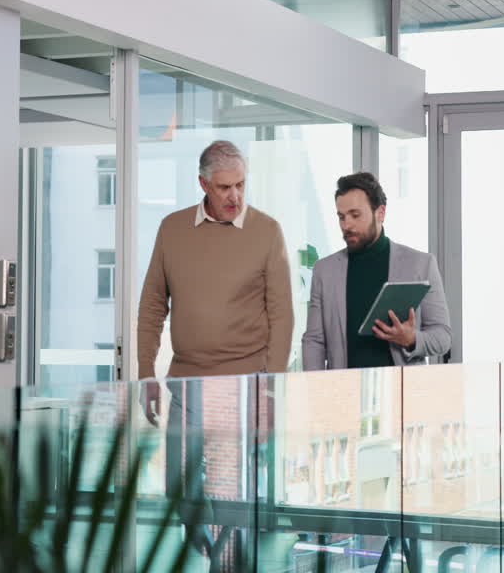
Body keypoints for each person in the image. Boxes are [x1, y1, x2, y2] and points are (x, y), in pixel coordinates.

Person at [136, 139, 294, 555]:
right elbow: (153, 304)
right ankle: (209, 551)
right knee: (177, 484)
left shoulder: (267, 231)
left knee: (229, 488)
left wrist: (271, 390)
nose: (235, 196)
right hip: (185, 383)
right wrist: (144, 373)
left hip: (242, 385)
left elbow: (282, 317)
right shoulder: (172, 229)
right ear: (203, 184)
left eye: (241, 185)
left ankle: (228, 561)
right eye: (224, 187)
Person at [302, 172, 451, 370]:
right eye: (341, 217)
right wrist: (316, 391)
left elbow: (443, 336)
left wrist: (411, 339)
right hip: (344, 392)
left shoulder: (421, 264)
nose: (347, 225)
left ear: (380, 213)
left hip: (402, 392)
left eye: (355, 215)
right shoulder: (324, 270)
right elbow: (314, 340)